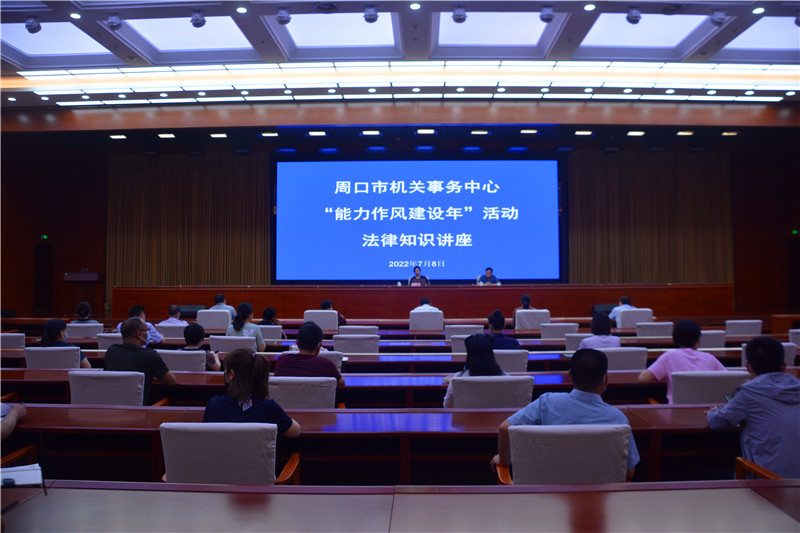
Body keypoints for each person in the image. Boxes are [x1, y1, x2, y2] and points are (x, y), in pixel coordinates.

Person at [491, 348, 640, 481]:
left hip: (545, 497)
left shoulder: (547, 402)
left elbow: (504, 429)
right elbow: (628, 472)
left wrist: (503, 461)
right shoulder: (618, 418)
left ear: (570, 375)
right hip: (601, 500)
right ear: (605, 379)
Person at [707, 336, 799, 478]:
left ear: (748, 367)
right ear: (783, 366)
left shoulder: (748, 393)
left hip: (768, 481)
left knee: (704, 472)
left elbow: (719, 422)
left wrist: (713, 412)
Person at [203, 348, 301, 438]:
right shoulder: (270, 408)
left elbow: (205, 437)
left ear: (231, 375)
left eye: (225, 371)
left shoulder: (214, 405)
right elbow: (295, 432)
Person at [638, 319, 726, 403]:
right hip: (707, 410)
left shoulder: (669, 356)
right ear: (698, 340)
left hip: (676, 410)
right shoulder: (709, 357)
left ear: (675, 339)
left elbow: (643, 378)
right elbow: (728, 380)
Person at [105, 317, 177, 404]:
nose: (148, 334)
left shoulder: (112, 350)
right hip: (139, 409)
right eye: (147, 331)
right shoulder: (150, 355)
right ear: (140, 334)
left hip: (112, 406)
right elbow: (171, 382)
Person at [274, 321, 345, 389]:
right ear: (319, 346)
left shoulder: (283, 360)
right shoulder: (327, 364)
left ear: (297, 344)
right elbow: (341, 384)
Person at [443, 334, 507, 407]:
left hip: (466, 414)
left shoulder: (458, 378)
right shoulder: (505, 377)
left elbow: (447, 406)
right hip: (499, 415)